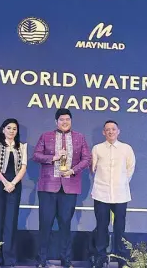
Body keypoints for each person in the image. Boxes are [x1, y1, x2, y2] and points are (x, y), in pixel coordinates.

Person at [33, 108, 91, 268]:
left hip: (69, 187)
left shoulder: (80, 137)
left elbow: (87, 158)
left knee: (66, 225)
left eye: (67, 119)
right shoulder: (46, 136)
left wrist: (73, 170)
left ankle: (66, 261)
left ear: (71, 121)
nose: (65, 122)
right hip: (48, 187)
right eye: (61, 120)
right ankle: (41, 260)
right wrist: (53, 158)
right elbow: (36, 155)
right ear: (56, 122)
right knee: (45, 224)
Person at [91, 120, 135, 268]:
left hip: (120, 194)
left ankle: (121, 258)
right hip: (101, 194)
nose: (110, 132)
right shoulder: (97, 148)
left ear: (118, 131)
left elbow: (130, 169)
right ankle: (100, 258)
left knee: (119, 228)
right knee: (101, 226)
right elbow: (93, 169)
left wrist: (121, 183)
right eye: (107, 130)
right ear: (103, 132)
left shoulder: (126, 148)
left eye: (113, 129)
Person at [0, 118, 27, 267]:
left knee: (11, 222)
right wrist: (5, 182)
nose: (11, 131)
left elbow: (23, 167)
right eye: (8, 128)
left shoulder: (21, 146)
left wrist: (13, 183)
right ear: (3, 129)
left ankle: (9, 259)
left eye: (14, 129)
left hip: (14, 187)